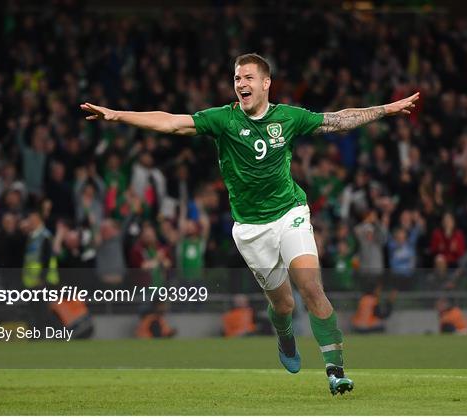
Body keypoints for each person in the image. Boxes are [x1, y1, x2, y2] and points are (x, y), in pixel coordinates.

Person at [81, 53, 419, 395]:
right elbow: (171, 122)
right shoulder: (223, 120)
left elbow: (337, 120)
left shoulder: (288, 117)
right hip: (251, 230)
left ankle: (335, 370)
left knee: (311, 286)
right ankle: (285, 337)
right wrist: (118, 115)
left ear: (265, 83)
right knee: (283, 304)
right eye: (237, 79)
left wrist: (385, 110)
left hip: (290, 213)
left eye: (248, 78)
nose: (241, 84)